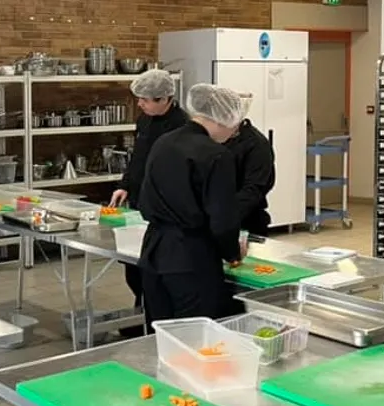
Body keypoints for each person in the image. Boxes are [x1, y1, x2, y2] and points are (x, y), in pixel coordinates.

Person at [137, 84, 244, 323]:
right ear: (223, 119)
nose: (233, 134)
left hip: (153, 251)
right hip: (191, 256)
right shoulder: (216, 155)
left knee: (162, 335)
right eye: (235, 127)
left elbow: (146, 196)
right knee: (195, 338)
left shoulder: (164, 142)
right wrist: (232, 253)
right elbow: (222, 218)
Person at [108, 69, 188, 336]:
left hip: (164, 208)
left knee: (153, 264)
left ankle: (155, 323)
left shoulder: (182, 126)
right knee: (133, 264)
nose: (139, 104)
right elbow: (137, 158)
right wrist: (124, 186)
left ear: (165, 98)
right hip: (139, 200)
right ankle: (140, 313)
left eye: (145, 99)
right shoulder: (144, 121)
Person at [219, 95, 275, 236]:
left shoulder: (256, 145)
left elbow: (254, 189)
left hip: (247, 220)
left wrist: (225, 217)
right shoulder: (216, 139)